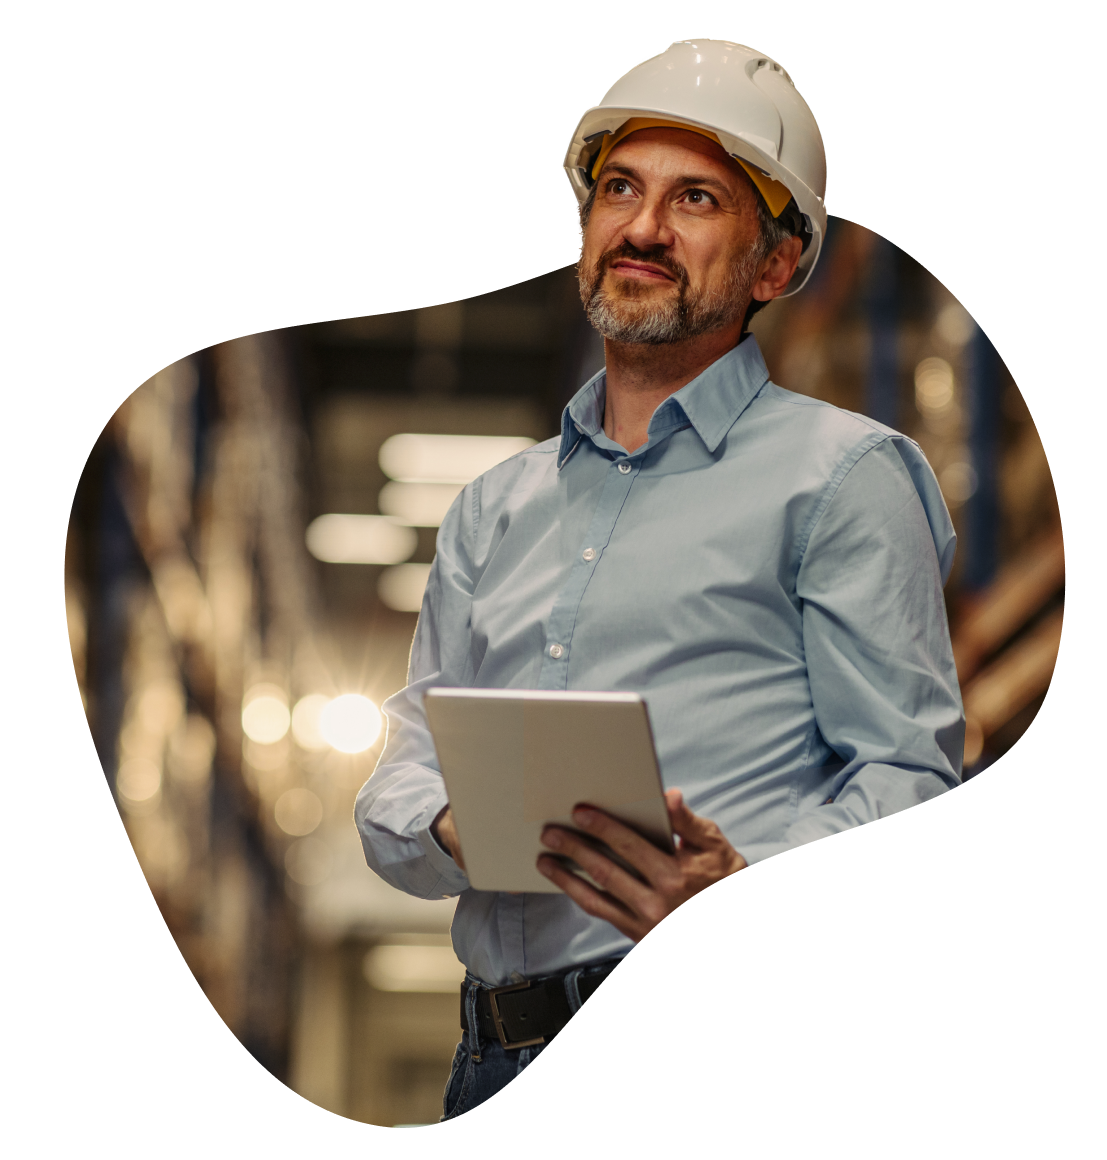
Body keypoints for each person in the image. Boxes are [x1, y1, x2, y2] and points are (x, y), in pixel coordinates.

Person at [354, 39, 964, 1120]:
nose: (641, 227)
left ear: (774, 265)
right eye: (619, 190)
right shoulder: (493, 507)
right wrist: (456, 822)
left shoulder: (841, 478)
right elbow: (404, 762)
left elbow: (907, 779)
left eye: (695, 199)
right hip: (484, 1055)